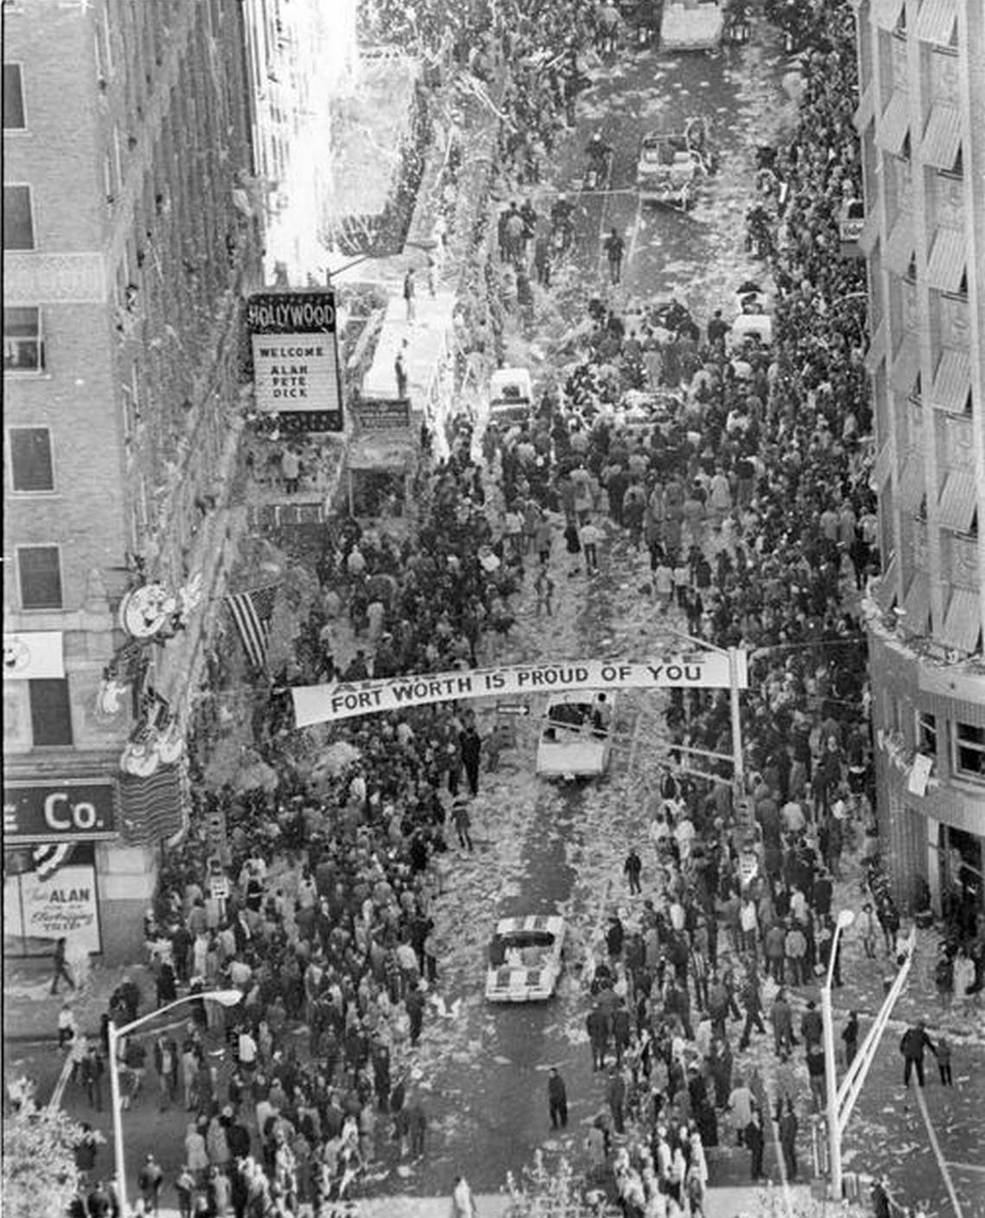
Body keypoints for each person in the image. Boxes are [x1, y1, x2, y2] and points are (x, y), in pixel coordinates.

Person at [900, 1021, 936, 1088]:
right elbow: (929, 1045)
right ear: (923, 1027)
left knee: (908, 1068)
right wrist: (936, 1052)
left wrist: (902, 1049)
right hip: (918, 1054)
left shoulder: (910, 1032)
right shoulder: (924, 1035)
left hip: (909, 1053)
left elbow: (903, 1041)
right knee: (919, 1068)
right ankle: (921, 1082)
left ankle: (906, 1083)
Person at [777, 1098, 798, 1180]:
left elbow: (788, 1129)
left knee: (788, 1156)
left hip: (787, 1140)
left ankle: (791, 1173)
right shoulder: (787, 1117)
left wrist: (784, 1138)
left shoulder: (788, 1117)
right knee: (789, 1156)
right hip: (787, 1139)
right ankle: (792, 1172)